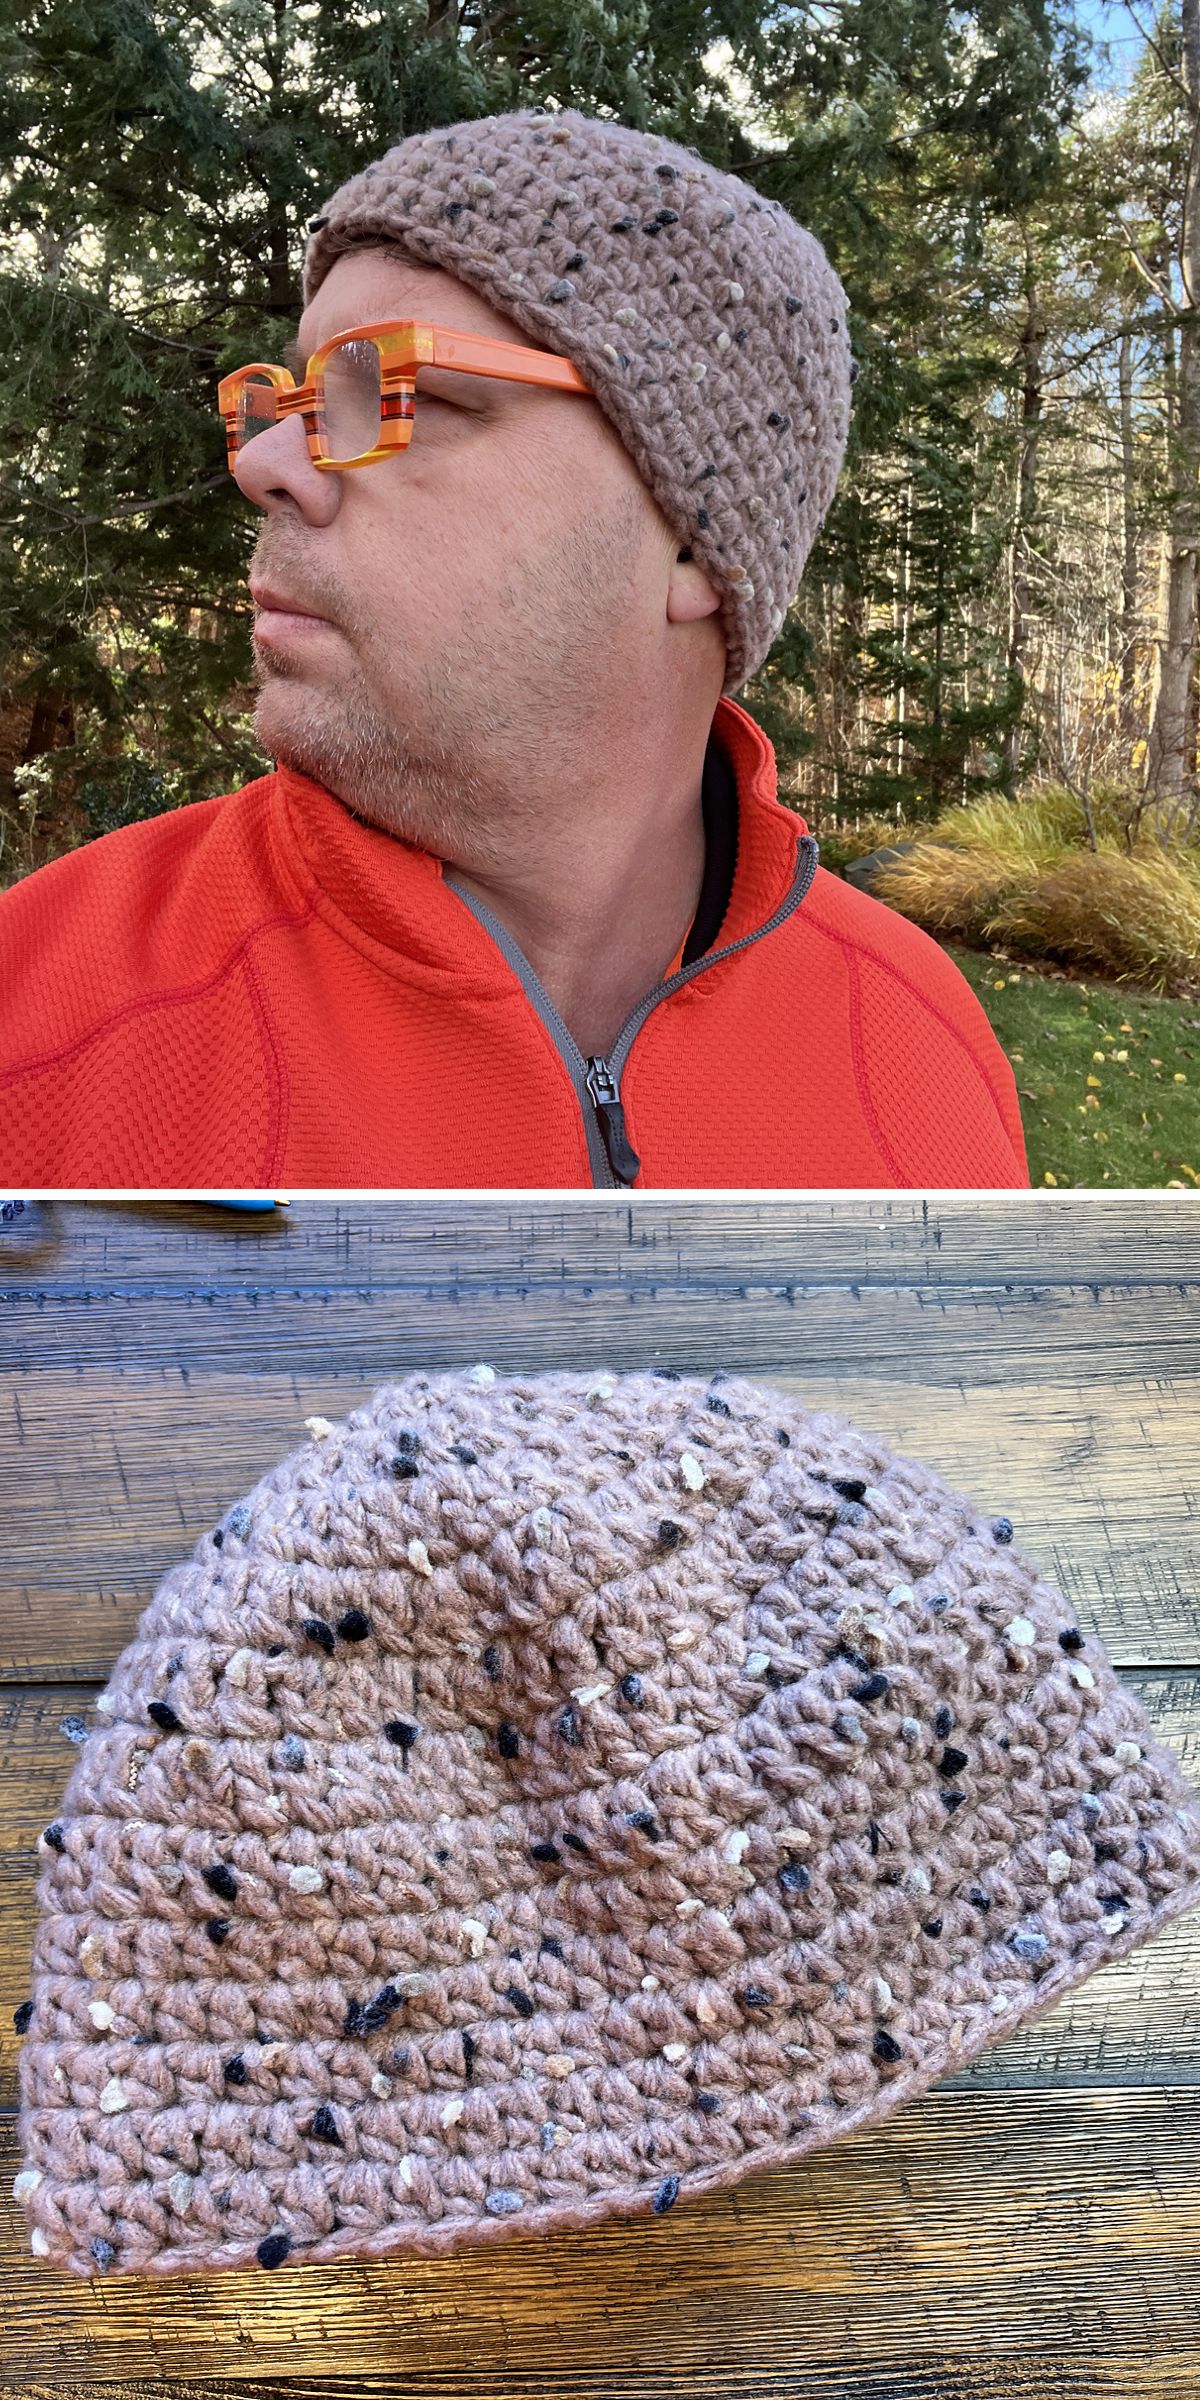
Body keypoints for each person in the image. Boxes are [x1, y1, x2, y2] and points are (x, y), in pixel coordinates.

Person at [0, 105, 1028, 1189]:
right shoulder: (37, 1021)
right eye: (294, 397)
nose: (268, 464)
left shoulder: (925, 1062)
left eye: (410, 394)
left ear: (688, 540)